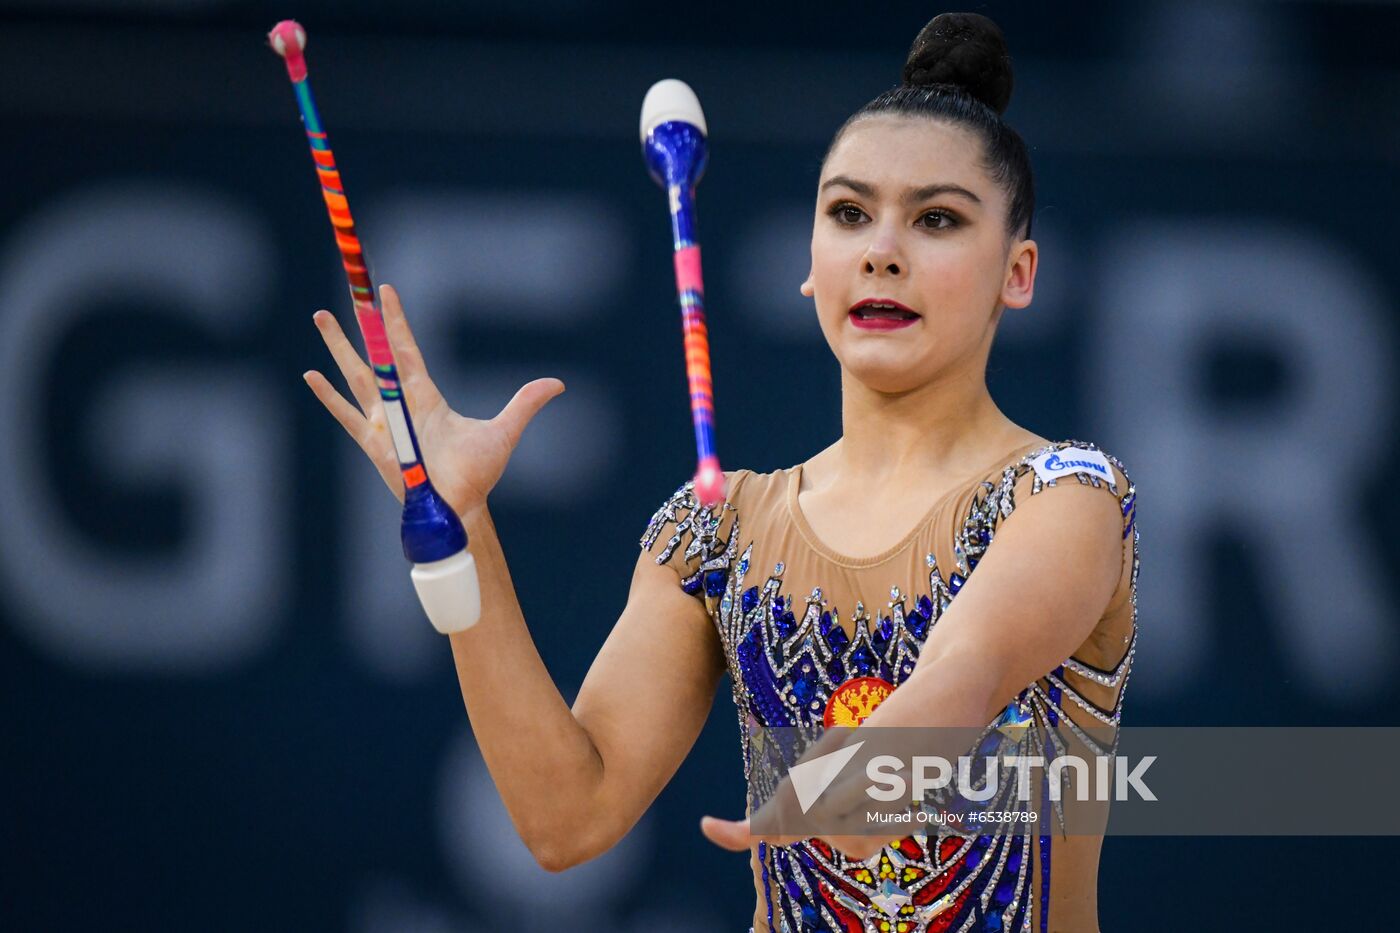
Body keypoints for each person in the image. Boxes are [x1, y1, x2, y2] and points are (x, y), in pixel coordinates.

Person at [303, 11, 1139, 932]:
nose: (883, 250)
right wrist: (462, 530)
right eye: (849, 213)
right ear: (810, 265)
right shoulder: (718, 531)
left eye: (937, 219)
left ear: (1017, 273)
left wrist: (843, 786)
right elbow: (563, 818)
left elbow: (967, 674)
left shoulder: (1066, 497)